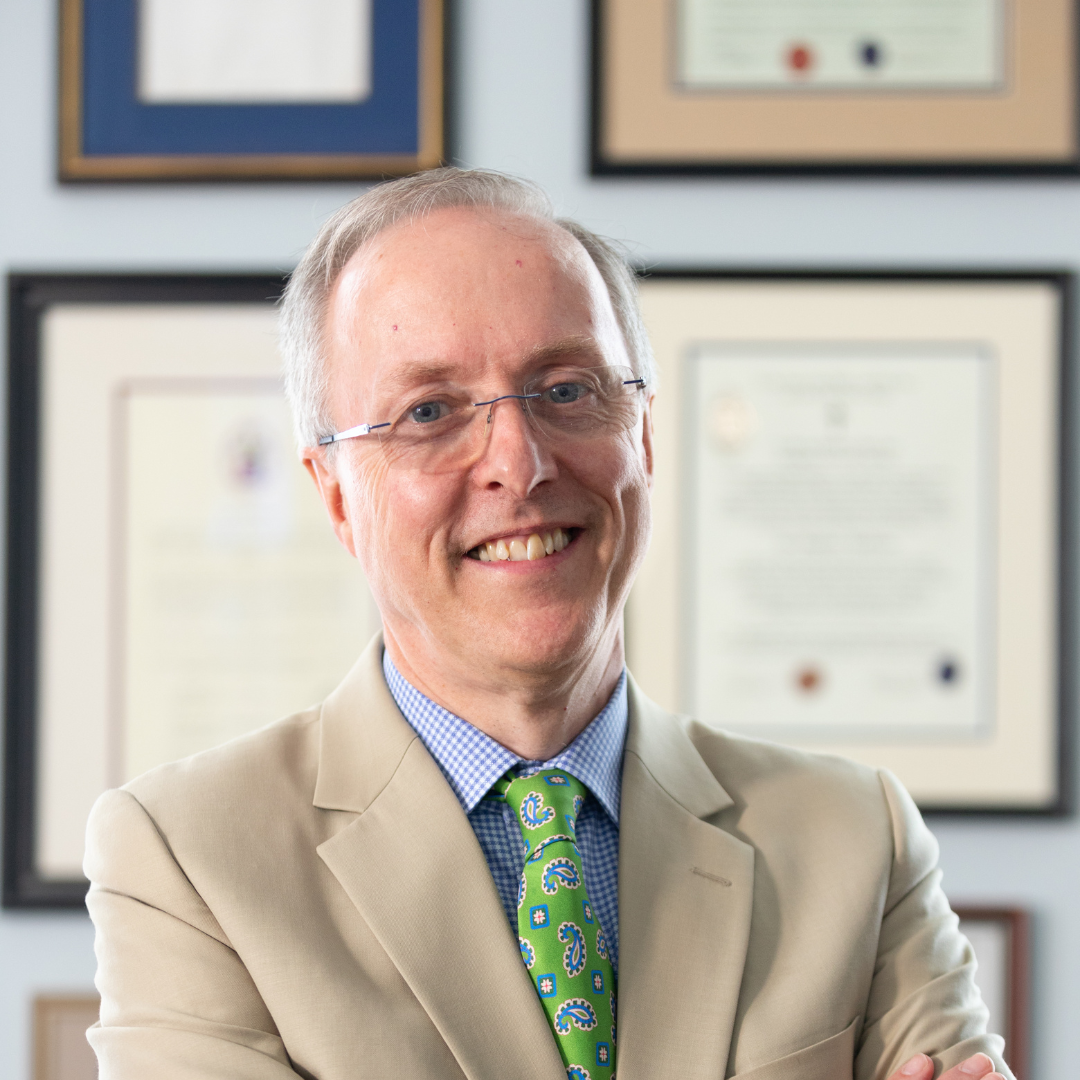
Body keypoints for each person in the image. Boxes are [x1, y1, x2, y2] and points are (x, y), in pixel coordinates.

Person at [84, 168, 1014, 1080]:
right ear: (334, 493)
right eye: (431, 411)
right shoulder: (187, 860)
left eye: (567, 390)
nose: (519, 463)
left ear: (641, 437)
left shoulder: (857, 838)